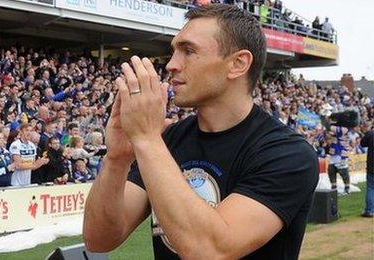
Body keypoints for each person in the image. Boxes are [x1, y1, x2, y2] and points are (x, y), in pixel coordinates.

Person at [83, 5, 318, 259]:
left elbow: (210, 250)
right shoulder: (170, 140)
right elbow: (99, 238)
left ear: (238, 64)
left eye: (189, 51)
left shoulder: (286, 152)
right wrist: (117, 159)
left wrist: (148, 140)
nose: (171, 64)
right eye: (173, 52)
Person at [361, 129, 374, 218]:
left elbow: (362, 143)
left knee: (370, 188)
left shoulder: (371, 134)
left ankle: (369, 210)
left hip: (372, 166)